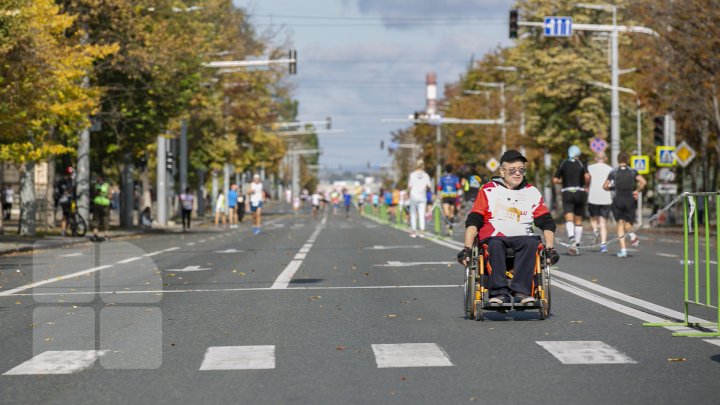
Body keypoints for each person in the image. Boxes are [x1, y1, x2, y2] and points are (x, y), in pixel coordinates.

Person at [458, 150, 559, 305]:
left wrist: (550, 248)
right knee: (495, 243)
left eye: (521, 169)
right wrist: (466, 248)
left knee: (532, 242)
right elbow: (474, 219)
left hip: (524, 238)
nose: (517, 173)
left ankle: (522, 292)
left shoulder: (531, 191)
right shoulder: (488, 190)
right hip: (494, 238)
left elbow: (546, 221)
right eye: (512, 170)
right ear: (502, 172)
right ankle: (499, 293)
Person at [603, 151, 646, 258]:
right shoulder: (633, 172)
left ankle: (623, 250)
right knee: (628, 222)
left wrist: (611, 188)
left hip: (618, 200)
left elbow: (605, 186)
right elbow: (643, 182)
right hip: (630, 200)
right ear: (627, 160)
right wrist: (637, 191)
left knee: (620, 223)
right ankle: (632, 234)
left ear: (618, 161)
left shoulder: (613, 172)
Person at [553, 145, 590, 255]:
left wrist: (563, 181)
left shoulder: (563, 163)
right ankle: (576, 245)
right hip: (579, 191)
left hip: (567, 192)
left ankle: (572, 238)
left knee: (569, 219)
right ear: (578, 154)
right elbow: (587, 177)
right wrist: (586, 186)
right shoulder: (582, 163)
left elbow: (555, 179)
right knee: (578, 220)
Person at [587, 154, 613, 253]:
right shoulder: (610, 169)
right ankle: (603, 245)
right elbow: (611, 184)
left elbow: (586, 181)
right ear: (606, 158)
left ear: (595, 158)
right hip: (606, 198)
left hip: (593, 197)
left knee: (593, 218)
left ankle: (594, 230)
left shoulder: (590, 168)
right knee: (603, 222)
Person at [407, 159, 432, 238]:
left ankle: (413, 231)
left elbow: (409, 186)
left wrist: (407, 194)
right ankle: (422, 232)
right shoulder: (426, 175)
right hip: (422, 196)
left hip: (413, 195)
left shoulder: (412, 175)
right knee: (421, 214)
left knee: (413, 214)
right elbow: (429, 186)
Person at [438, 164, 461, 234]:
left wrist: (439, 195)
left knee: (446, 213)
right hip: (453, 196)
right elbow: (458, 186)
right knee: (452, 213)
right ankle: (451, 229)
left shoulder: (443, 178)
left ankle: (448, 226)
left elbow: (439, 187)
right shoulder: (455, 178)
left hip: (445, 196)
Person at [91, 176, 111, 242]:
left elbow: (93, 194)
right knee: (105, 219)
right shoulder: (107, 185)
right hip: (105, 205)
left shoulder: (96, 185)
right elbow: (110, 196)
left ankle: (95, 235)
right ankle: (106, 236)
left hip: (97, 204)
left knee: (96, 220)